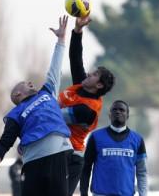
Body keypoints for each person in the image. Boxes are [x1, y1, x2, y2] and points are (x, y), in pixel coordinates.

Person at [0, 15, 73, 196]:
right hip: (33, 161)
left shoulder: (48, 92)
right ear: (17, 94)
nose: (30, 82)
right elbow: (5, 142)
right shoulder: (15, 114)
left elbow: (55, 68)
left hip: (58, 155)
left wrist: (61, 40)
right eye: (25, 83)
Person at [58, 16, 115, 195]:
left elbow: (53, 117)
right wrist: (77, 31)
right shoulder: (81, 87)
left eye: (94, 74)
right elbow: (76, 59)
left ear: (98, 85)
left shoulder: (87, 110)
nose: (89, 73)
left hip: (70, 156)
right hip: (57, 150)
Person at [80, 100, 148, 196]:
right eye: (114, 110)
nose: (118, 112)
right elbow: (86, 168)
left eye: (121, 110)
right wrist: (83, 193)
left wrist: (143, 194)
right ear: (109, 115)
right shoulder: (96, 137)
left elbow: (142, 172)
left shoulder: (138, 139)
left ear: (127, 115)